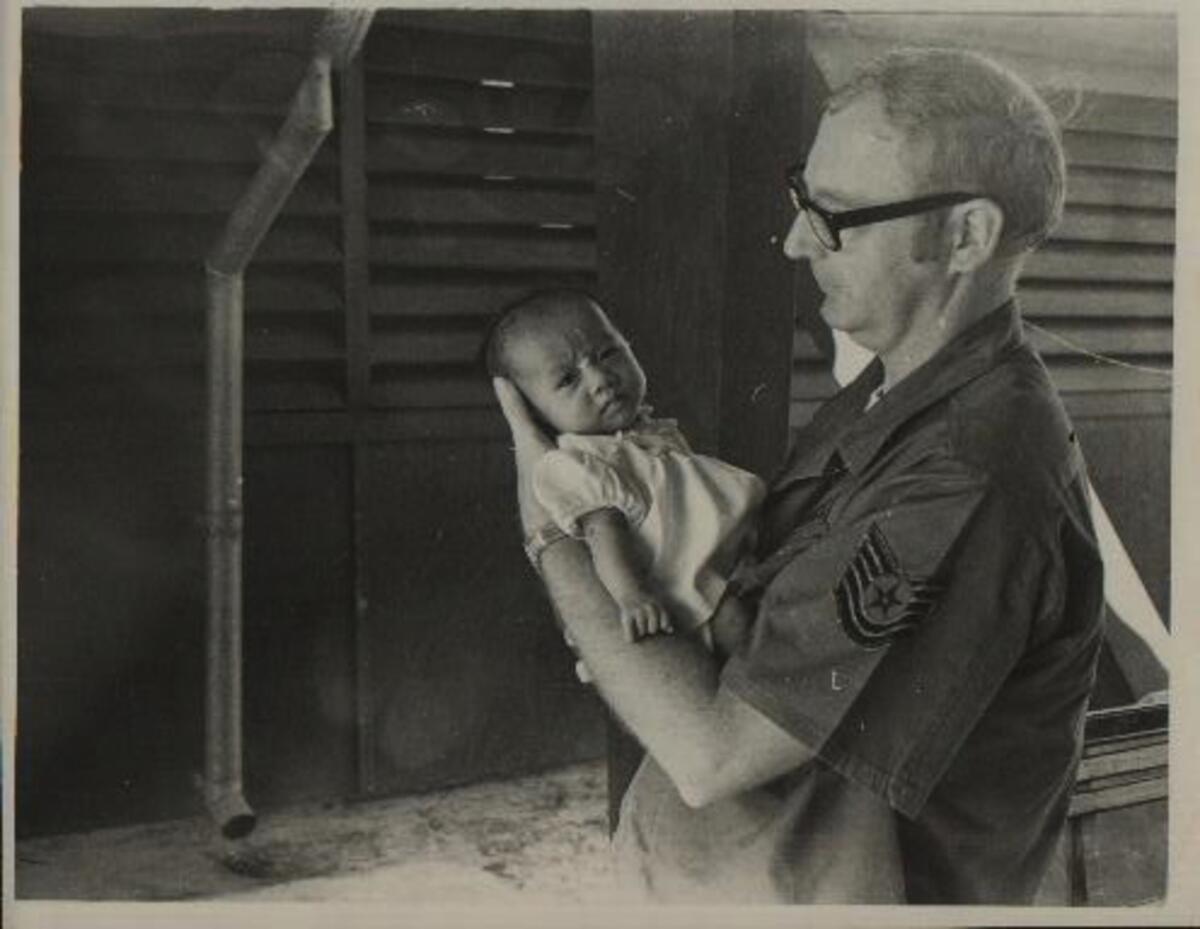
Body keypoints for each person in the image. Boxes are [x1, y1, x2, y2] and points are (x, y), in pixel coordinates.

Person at [494, 46, 1105, 904]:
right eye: (800, 198)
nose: (792, 240)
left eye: (836, 215)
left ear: (966, 235)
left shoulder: (968, 475)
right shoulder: (891, 392)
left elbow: (714, 752)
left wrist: (551, 519)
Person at [483, 290, 766, 654]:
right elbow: (604, 533)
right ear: (535, 412)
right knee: (737, 626)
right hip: (684, 584)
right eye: (568, 380)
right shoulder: (582, 464)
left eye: (608, 353)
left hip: (727, 555)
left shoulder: (644, 433)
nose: (601, 379)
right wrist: (632, 595)